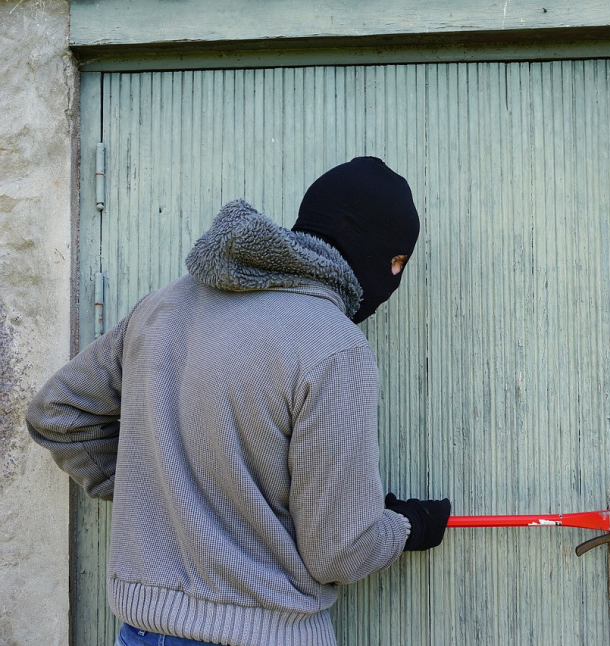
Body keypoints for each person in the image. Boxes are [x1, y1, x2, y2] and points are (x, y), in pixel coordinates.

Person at [26, 157, 450, 646]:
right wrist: (407, 526)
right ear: (366, 246)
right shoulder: (334, 346)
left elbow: (58, 413)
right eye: (396, 261)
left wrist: (164, 490)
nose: (393, 278)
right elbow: (339, 552)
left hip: (142, 632)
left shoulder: (163, 307)